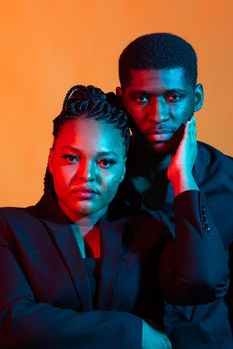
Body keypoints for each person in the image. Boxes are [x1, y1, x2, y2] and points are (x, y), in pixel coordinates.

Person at [0, 85, 228, 349]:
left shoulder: (148, 231)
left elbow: (204, 282)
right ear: (51, 161)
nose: (87, 175)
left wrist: (183, 178)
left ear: (123, 170)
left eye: (105, 162)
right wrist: (133, 332)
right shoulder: (9, 228)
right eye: (72, 158)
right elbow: (12, 325)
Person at [116, 32, 233, 348]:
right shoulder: (101, 179)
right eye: (141, 98)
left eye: (172, 97)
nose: (157, 116)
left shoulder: (229, 180)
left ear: (196, 98)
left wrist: (184, 181)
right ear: (121, 97)